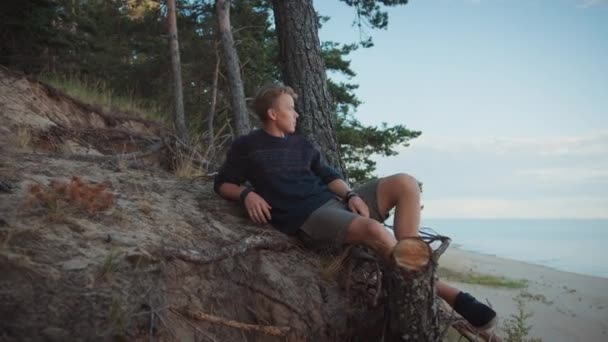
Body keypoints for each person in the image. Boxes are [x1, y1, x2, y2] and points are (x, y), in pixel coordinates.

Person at [214, 84, 497, 330]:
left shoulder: (302, 144)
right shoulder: (247, 146)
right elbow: (223, 183)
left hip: (335, 202)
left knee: (406, 183)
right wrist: (247, 195)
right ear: (273, 114)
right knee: (373, 229)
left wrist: (351, 195)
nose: (297, 114)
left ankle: (408, 257)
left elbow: (327, 176)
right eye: (291, 108)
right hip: (307, 218)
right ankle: (443, 291)